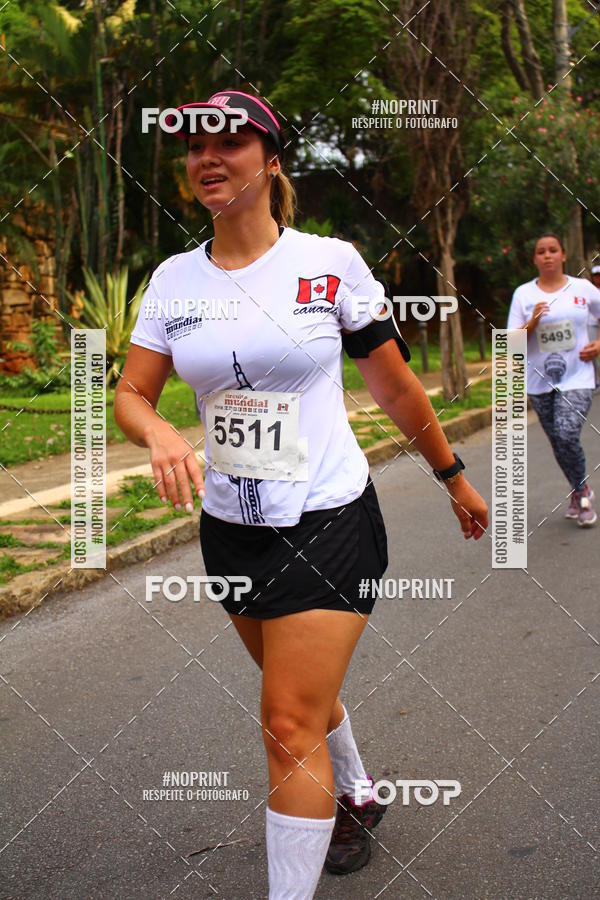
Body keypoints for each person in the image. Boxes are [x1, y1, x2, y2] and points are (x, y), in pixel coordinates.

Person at [114, 89, 488, 899]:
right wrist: (164, 433)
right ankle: (357, 794)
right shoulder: (173, 281)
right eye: (194, 147)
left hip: (330, 516)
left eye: (230, 142)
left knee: (286, 722)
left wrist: (452, 475)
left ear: (272, 159)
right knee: (301, 703)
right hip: (233, 529)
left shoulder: (329, 263)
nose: (207, 158)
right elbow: (131, 393)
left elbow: (394, 388)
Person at [507, 233, 600, 527]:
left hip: (579, 377)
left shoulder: (583, 288)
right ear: (535, 259)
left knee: (566, 433)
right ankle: (577, 489)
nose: (547, 255)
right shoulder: (524, 295)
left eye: (553, 250)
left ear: (562, 255)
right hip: (540, 383)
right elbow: (511, 343)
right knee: (558, 443)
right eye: (541, 251)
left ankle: (584, 495)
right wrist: (533, 321)